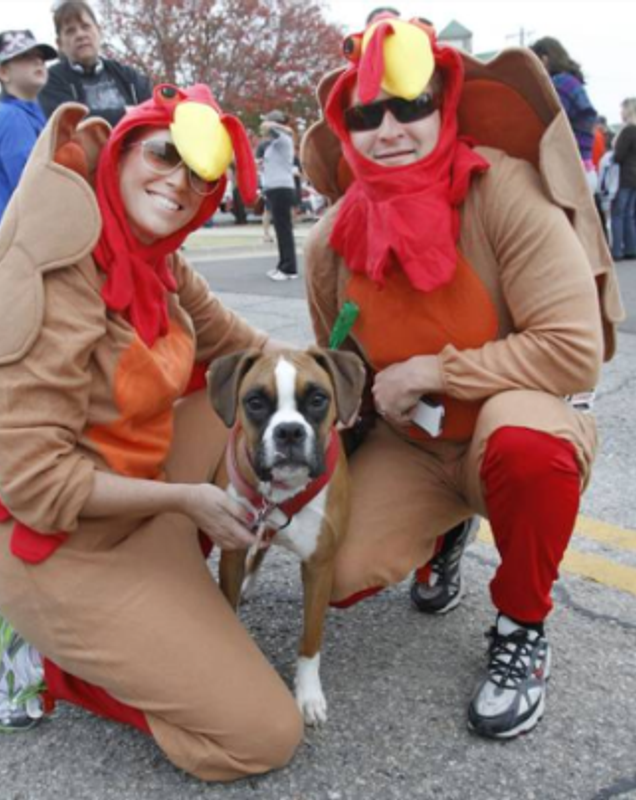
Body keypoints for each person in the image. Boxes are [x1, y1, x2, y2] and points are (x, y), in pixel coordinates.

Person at [0, 84, 302, 781]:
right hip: (58, 546)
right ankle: (52, 658)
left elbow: (241, 349)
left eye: (199, 177)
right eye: (164, 156)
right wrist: (185, 503)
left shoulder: (158, 259)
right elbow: (36, 485)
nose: (178, 184)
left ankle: (160, 615)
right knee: (262, 737)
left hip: (138, 492)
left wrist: (335, 384)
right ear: (121, 151)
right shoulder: (53, 277)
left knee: (252, 404)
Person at [301, 13, 622, 740]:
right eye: (365, 113)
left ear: (443, 103)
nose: (388, 129)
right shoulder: (329, 241)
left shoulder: (503, 190)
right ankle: (445, 531)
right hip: (411, 447)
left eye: (409, 105)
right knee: (339, 574)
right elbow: (340, 361)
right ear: (344, 131)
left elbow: (573, 350)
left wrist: (430, 370)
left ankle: (520, 624)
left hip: (511, 430)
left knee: (524, 453)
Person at [0, 29, 58, 228]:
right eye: (26, 56)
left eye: (40, 57)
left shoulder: (31, 112)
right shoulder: (10, 116)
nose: (38, 61)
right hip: (24, 236)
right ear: (3, 72)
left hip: (32, 231)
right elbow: (31, 185)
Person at [40, 1, 151, 127]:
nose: (80, 35)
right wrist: (128, 113)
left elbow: (153, 111)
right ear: (59, 44)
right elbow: (69, 122)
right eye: (70, 31)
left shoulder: (128, 75)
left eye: (86, 26)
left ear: (99, 31)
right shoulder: (52, 80)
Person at [530, 36, 598, 192]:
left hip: (572, 173)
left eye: (534, 63)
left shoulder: (559, 84)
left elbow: (548, 124)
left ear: (544, 60)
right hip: (584, 168)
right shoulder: (571, 82)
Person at [259, 110, 298, 281]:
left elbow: (267, 126)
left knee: (284, 230)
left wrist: (272, 124)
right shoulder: (275, 143)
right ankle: (283, 265)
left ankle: (289, 269)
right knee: (281, 229)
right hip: (275, 189)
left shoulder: (284, 139)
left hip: (281, 188)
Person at [610, 98, 636, 261]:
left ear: (628, 110)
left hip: (625, 176)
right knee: (630, 214)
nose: (620, 112)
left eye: (622, 109)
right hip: (635, 178)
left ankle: (618, 251)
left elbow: (618, 156)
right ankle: (631, 248)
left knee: (618, 213)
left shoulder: (628, 131)